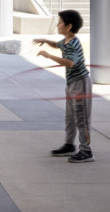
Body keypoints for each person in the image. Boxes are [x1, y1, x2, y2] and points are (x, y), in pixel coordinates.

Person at [35, 9, 93, 163]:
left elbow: (70, 63)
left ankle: (86, 151)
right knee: (69, 116)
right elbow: (57, 45)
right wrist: (46, 41)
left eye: (60, 23)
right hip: (71, 83)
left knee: (81, 118)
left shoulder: (73, 43)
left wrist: (48, 56)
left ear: (69, 26)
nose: (57, 25)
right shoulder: (66, 40)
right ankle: (69, 145)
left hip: (80, 83)